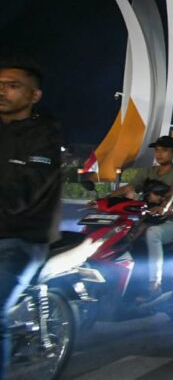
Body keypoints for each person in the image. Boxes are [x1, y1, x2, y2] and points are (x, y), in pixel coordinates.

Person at [0, 59, 62, 379]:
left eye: (13, 85)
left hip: (20, 239)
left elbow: (23, 191)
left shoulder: (44, 138)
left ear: (34, 95)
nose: (3, 91)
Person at [110, 135, 173, 296]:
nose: (159, 154)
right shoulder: (148, 171)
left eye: (165, 150)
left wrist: (163, 206)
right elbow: (129, 188)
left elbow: (172, 190)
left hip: (172, 221)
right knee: (121, 233)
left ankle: (155, 282)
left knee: (153, 233)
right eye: (157, 150)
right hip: (147, 218)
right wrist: (104, 200)